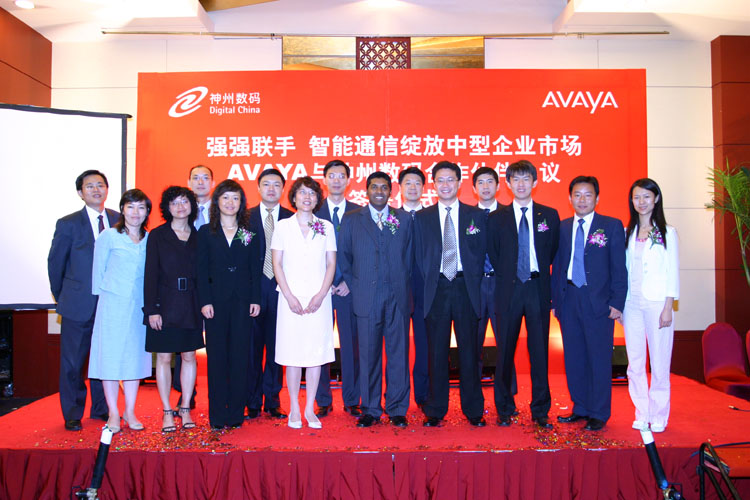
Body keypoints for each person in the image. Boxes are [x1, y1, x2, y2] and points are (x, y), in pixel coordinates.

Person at [414, 160, 487, 427]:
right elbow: (418, 255)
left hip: (466, 288)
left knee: (470, 352)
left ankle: (474, 409)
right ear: (434, 185)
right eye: (440, 180)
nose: (445, 185)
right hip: (437, 289)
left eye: (450, 180)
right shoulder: (422, 217)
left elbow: (482, 252)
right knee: (436, 352)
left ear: (459, 183)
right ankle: (435, 409)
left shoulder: (476, 215)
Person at [552, 175, 627, 431]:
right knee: (574, 357)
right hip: (569, 299)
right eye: (577, 195)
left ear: (597, 198)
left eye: (587, 195)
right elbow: (557, 266)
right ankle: (580, 407)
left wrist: (617, 302)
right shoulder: (563, 227)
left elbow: (619, 267)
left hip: (598, 301)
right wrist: (555, 301)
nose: (582, 200)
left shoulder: (611, 226)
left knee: (598, 357)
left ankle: (599, 412)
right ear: (570, 198)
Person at [488, 160, 559, 428]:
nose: (520, 184)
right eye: (515, 179)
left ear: (535, 182)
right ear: (508, 184)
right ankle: (504, 407)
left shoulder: (549, 215)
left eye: (526, 179)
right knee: (505, 351)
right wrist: (512, 275)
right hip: (509, 289)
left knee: (539, 351)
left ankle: (540, 410)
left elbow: (552, 251)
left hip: (537, 288)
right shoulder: (497, 218)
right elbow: (495, 254)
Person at [338, 172, 413, 428]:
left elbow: (410, 256)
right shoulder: (351, 219)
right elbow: (344, 257)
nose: (379, 191)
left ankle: (397, 408)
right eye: (374, 187)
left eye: (384, 187)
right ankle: (370, 409)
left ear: (391, 191)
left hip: (397, 297)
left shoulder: (403, 218)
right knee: (369, 355)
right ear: (366, 191)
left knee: (398, 355)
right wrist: (356, 285)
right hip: (366, 297)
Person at [48, 170, 120, 431]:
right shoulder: (68, 223)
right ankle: (72, 412)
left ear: (107, 189)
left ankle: (102, 408)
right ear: (80, 192)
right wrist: (64, 296)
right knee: (73, 363)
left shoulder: (119, 219)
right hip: (77, 304)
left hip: (110, 304)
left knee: (105, 360)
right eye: (90, 186)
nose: (96, 190)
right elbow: (55, 264)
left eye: (100, 185)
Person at [272, 176, 337, 429]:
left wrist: (321, 295)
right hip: (290, 299)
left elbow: (331, 263)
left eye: (311, 193)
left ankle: (310, 408)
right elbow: (277, 264)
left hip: (319, 299)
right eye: (302, 193)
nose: (307, 197)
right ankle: (294, 408)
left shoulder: (326, 227)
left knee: (315, 354)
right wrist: (289, 295)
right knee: (292, 354)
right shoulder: (283, 227)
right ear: (294, 197)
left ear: (317, 198)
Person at [197, 180, 261, 430]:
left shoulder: (248, 232)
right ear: (217, 202)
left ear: (241, 203)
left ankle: (235, 414)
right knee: (217, 359)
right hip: (215, 303)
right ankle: (217, 415)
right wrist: (204, 301)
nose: (230, 203)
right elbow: (201, 270)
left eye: (235, 198)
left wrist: (255, 298)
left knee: (239, 357)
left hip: (243, 302)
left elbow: (254, 268)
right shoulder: (206, 232)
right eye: (225, 198)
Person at [88, 189, 152, 433]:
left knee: (135, 358)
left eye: (141, 207)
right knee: (111, 357)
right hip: (112, 305)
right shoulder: (109, 236)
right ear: (122, 209)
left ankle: (130, 410)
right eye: (130, 207)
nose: (135, 212)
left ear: (147, 212)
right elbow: (98, 273)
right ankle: (113, 413)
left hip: (139, 306)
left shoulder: (150, 239)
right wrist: (101, 301)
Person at [143, 186, 204, 433]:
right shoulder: (157, 235)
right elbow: (150, 275)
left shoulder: (199, 236)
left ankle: (185, 407)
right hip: (164, 305)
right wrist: (152, 309)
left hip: (191, 304)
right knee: (165, 358)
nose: (180, 207)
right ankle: (167, 410)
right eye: (175, 202)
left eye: (185, 202)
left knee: (189, 357)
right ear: (167, 208)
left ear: (192, 206)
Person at [623, 178, 679, 433]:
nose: (641, 202)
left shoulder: (667, 232)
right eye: (637, 197)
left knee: (659, 361)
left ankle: (659, 414)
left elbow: (672, 271)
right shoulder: (628, 232)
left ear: (656, 199)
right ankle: (641, 412)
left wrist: (669, 306)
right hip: (631, 304)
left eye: (646, 196)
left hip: (657, 304)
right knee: (635, 362)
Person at [314, 159, 362, 418]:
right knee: (320, 344)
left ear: (348, 180)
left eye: (341, 176)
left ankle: (352, 399)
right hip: (320, 291)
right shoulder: (313, 212)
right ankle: (323, 398)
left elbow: (365, 254)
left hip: (349, 290)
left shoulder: (360, 212)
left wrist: (348, 282)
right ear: (324, 180)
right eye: (331, 175)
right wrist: (325, 284)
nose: (336, 180)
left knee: (352, 346)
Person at [246, 168, 293, 420]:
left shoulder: (292, 218)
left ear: (283, 189)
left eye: (276, 184)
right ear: (258, 188)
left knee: (278, 349)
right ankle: (252, 401)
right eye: (266, 184)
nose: (271, 189)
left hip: (281, 290)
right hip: (252, 292)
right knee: (251, 349)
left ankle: (273, 400)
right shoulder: (245, 217)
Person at [173, 164, 215, 409]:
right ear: (189, 182)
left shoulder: (223, 208)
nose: (200, 182)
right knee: (186, 342)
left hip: (216, 285)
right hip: (187, 287)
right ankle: (185, 395)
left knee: (217, 341)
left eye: (205, 178)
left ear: (212, 182)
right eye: (196, 178)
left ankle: (219, 393)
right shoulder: (180, 211)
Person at [472, 166, 517, 391]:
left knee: (505, 341)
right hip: (475, 286)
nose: (485, 186)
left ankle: (506, 394)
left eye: (490, 181)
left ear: (498, 186)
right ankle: (473, 394)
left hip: (502, 286)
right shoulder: (467, 216)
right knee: (473, 343)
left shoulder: (511, 215)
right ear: (474, 188)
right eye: (480, 182)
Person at [398, 167, 429, 407]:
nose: (412, 187)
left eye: (417, 183)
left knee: (425, 345)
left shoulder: (431, 218)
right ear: (400, 187)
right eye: (408, 183)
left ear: (424, 188)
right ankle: (398, 398)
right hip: (397, 291)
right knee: (397, 347)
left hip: (426, 291)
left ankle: (424, 396)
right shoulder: (390, 218)